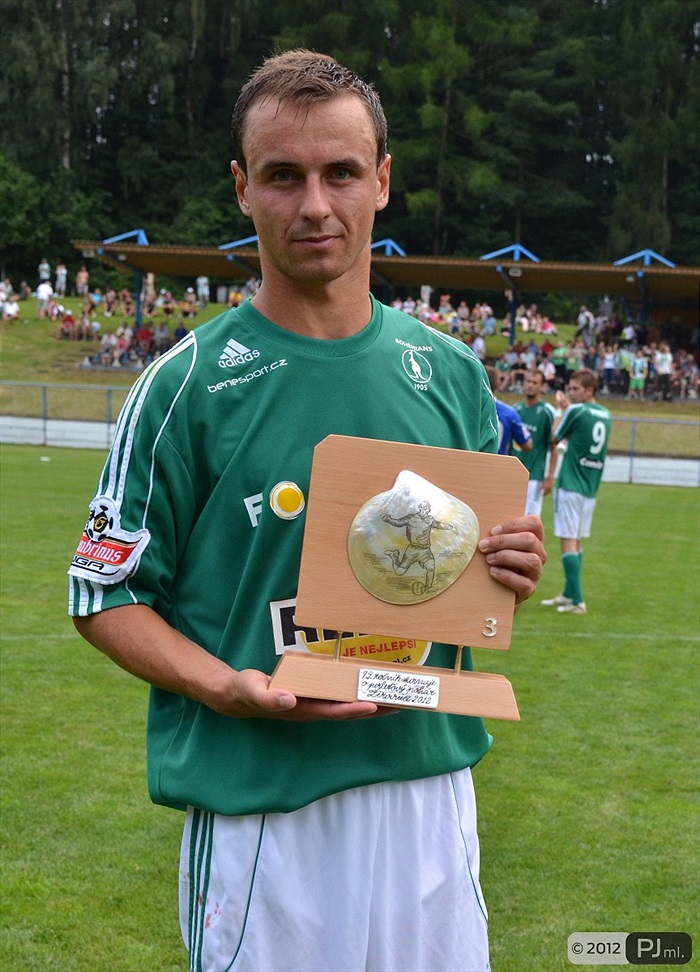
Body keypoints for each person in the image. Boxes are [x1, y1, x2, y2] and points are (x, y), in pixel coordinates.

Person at [67, 50, 545, 972]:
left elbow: (469, 580)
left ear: (383, 182)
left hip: (428, 793)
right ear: (243, 188)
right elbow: (103, 594)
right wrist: (226, 687)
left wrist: (509, 568)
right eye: (284, 175)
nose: (315, 205)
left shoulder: (452, 375)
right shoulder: (185, 386)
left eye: (342, 173)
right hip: (263, 812)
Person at [540, 368, 611, 615]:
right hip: (590, 486)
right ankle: (569, 593)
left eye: (576, 389)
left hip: (571, 484)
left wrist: (560, 410)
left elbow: (554, 436)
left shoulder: (575, 410)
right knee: (577, 540)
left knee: (567, 541)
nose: (570, 393)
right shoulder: (606, 414)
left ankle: (578, 601)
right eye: (569, 388)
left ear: (590, 390)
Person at [512, 369, 557, 517]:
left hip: (534, 476)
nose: (530, 385)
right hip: (513, 473)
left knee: (529, 520)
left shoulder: (547, 412)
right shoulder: (516, 410)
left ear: (542, 386)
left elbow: (553, 447)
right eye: (528, 381)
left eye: (535, 382)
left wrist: (550, 477)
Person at [485, 365, 533, 456]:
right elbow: (527, 445)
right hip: (496, 463)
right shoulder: (509, 414)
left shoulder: (464, 408)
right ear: (498, 384)